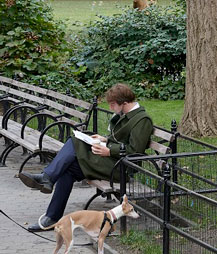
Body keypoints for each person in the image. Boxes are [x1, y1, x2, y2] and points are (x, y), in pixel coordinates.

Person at [18, 84, 154, 232]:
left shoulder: (142, 119)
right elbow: (121, 140)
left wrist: (108, 150)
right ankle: (52, 216)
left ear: (125, 103)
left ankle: (47, 178)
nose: (110, 108)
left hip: (121, 168)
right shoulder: (127, 115)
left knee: (74, 142)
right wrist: (104, 140)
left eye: (113, 104)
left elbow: (135, 151)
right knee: (67, 169)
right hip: (112, 161)